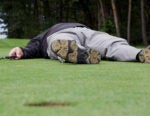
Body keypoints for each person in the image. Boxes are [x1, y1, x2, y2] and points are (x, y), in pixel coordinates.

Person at [8, 22, 150, 64]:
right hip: (62, 36)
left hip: (86, 31)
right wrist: (22, 50)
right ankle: (80, 52)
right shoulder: (45, 35)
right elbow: (33, 47)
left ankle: (141, 54)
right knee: (60, 43)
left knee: (112, 43)